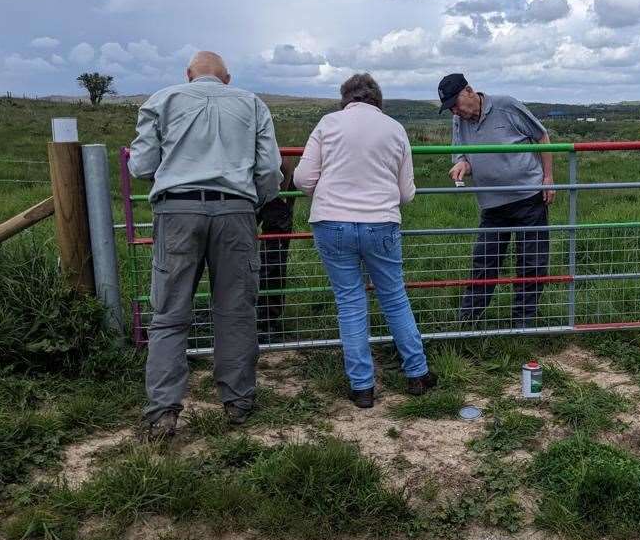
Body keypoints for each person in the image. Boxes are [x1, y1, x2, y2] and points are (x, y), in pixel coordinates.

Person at [128, 51, 282, 439]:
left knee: (169, 313)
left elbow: (142, 165)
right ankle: (238, 401)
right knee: (236, 310)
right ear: (226, 78)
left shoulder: (162, 101)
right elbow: (268, 169)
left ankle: (163, 412)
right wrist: (252, 202)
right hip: (236, 212)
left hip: (176, 213)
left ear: (188, 75)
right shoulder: (252, 103)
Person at [294, 73, 436, 408]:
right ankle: (417, 372)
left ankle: (362, 388)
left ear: (346, 99)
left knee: (350, 303)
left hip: (332, 222)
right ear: (377, 99)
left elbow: (302, 179)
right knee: (394, 298)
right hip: (381, 223)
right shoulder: (395, 128)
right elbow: (406, 193)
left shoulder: (328, 124)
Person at [437, 73, 554, 330]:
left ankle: (522, 324)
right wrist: (462, 165)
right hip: (492, 204)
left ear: (469, 90)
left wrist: (548, 177)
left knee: (531, 263)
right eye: (450, 109)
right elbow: (462, 155)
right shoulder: (459, 120)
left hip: (528, 198)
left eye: (455, 104)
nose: (455, 112)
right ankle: (467, 322)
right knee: (484, 262)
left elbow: (542, 136)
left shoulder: (506, 105)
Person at [256, 157, 295, 343]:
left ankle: (265, 321)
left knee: (273, 259)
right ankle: (267, 322)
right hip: (270, 188)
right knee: (274, 260)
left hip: (246, 190)